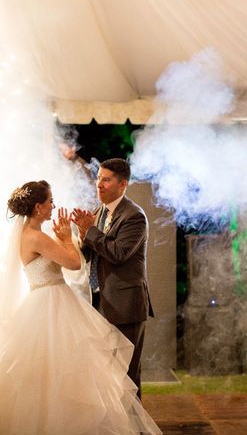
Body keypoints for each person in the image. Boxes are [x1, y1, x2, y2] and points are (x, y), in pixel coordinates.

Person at [0, 180, 161, 435]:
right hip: (52, 302)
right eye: (50, 201)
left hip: (42, 301)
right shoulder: (38, 238)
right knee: (61, 368)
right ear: (39, 207)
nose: (54, 205)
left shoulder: (25, 235)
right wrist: (65, 237)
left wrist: (66, 237)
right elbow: (74, 264)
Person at [72, 158, 154, 400]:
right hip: (101, 303)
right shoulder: (99, 213)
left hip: (126, 306)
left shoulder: (134, 216)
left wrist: (91, 231)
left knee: (127, 375)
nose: (99, 185)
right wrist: (79, 234)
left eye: (106, 180)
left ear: (122, 184)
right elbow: (91, 254)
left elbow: (118, 254)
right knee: (105, 374)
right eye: (98, 179)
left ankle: (134, 427)